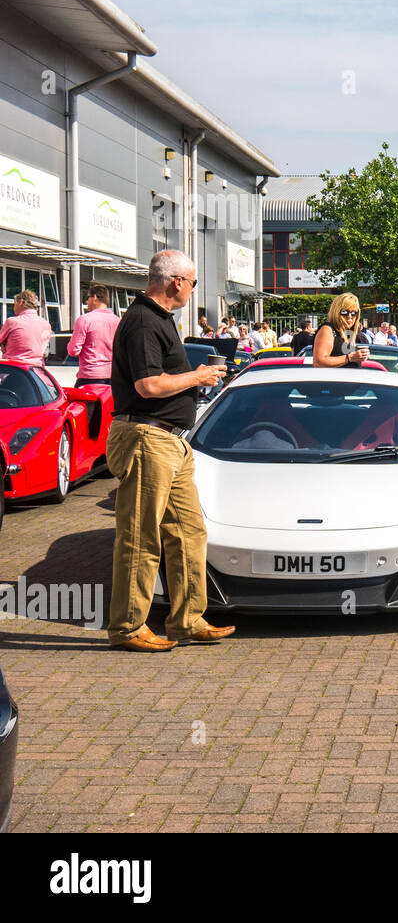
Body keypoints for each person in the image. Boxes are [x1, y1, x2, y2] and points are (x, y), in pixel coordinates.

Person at [105, 249, 234, 652]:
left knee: (188, 532)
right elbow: (147, 386)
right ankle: (128, 627)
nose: (192, 290)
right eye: (192, 283)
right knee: (141, 536)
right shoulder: (144, 320)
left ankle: (188, 618)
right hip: (148, 438)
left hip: (169, 440)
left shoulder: (158, 320)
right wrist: (196, 375)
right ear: (176, 281)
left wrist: (195, 379)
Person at [66, 283, 120, 385]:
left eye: (88, 297)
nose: (86, 301)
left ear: (95, 297)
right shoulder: (117, 321)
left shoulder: (85, 320)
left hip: (90, 376)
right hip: (113, 376)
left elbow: (73, 351)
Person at [313, 293, 370, 368]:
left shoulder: (355, 332)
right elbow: (319, 362)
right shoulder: (328, 330)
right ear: (336, 312)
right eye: (345, 312)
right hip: (332, 379)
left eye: (353, 313)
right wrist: (350, 358)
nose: (349, 316)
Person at [0, 289, 53, 366]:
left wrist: (3, 345)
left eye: (14, 304)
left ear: (21, 303)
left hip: (14, 369)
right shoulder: (46, 325)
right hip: (36, 370)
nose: (14, 308)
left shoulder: (12, 322)